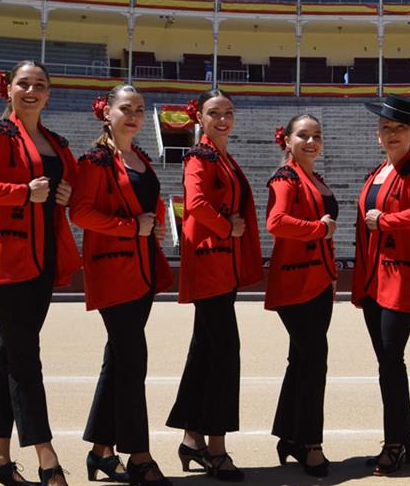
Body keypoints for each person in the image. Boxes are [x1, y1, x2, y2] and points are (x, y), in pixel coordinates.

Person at [0, 61, 80, 486]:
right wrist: (21, 193)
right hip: (6, 262)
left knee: (9, 356)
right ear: (7, 89)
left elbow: (74, 191)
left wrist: (66, 193)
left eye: (40, 85)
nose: (32, 90)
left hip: (43, 261)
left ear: (49, 93)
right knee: (26, 360)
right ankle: (47, 456)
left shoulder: (56, 143)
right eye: (23, 84)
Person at [70, 85, 173, 486]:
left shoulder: (140, 158)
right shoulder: (96, 160)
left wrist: (155, 226)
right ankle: (139, 455)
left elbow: (147, 204)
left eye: (139, 110)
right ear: (106, 113)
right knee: (132, 361)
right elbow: (80, 212)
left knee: (119, 360)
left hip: (143, 270)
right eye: (124, 108)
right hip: (114, 272)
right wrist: (132, 228)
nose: (133, 115)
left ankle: (101, 451)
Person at [166, 90, 263, 482]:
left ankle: (192, 437)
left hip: (221, 265)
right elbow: (196, 201)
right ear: (199, 118)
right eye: (214, 113)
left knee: (205, 351)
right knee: (226, 353)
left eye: (228, 113)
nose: (222, 119)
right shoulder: (199, 157)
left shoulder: (220, 157)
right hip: (210, 263)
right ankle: (217, 447)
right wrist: (228, 227)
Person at [353, 95, 410, 475]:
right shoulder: (378, 173)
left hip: (399, 278)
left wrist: (385, 221)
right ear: (376, 135)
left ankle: (396, 442)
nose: (392, 134)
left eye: (400, 128)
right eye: (386, 128)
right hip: (375, 279)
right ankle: (402, 435)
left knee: (390, 360)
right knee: (386, 363)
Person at [265, 114, 339, 477]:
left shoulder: (313, 178)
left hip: (318, 281)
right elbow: (276, 222)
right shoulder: (285, 178)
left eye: (317, 136)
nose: (311, 142)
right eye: (303, 135)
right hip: (296, 282)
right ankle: (310, 443)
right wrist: (317, 229)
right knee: (314, 359)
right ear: (287, 141)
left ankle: (290, 436)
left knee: (303, 359)